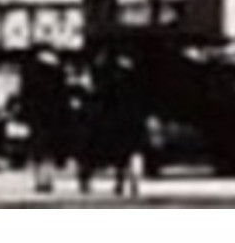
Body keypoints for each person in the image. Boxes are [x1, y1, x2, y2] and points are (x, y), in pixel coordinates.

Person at [78, 51, 148, 198]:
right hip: (130, 119)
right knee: (129, 153)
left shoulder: (105, 76)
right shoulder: (134, 78)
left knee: (113, 153)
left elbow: (99, 97)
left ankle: (119, 181)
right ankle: (128, 181)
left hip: (113, 120)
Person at [17, 48, 73, 194]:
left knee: (38, 148)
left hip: (37, 116)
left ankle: (40, 180)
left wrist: (24, 113)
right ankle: (47, 179)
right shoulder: (58, 74)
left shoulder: (31, 73)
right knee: (50, 149)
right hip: (53, 116)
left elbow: (25, 96)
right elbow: (64, 97)